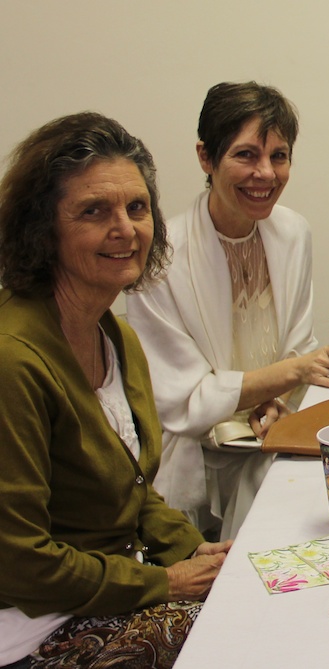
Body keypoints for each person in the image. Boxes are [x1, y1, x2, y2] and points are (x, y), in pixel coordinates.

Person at [0, 112, 231, 668]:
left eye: (137, 208)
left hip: (109, 591)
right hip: (29, 629)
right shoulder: (12, 361)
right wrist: (167, 582)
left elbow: (135, 493)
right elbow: (20, 564)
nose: (125, 229)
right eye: (94, 211)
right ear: (42, 228)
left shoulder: (116, 336)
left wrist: (199, 550)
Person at [126, 82, 329, 541]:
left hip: (273, 435)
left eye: (279, 156)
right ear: (206, 157)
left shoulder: (293, 233)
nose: (266, 173)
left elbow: (296, 344)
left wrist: (277, 398)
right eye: (246, 155)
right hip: (196, 459)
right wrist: (294, 371)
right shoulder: (160, 257)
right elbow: (180, 401)